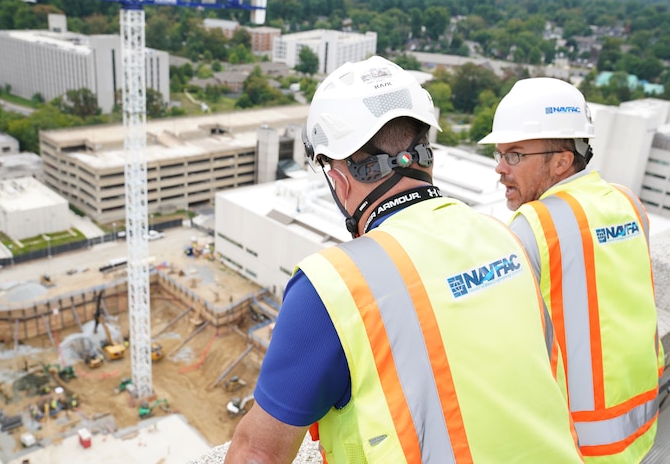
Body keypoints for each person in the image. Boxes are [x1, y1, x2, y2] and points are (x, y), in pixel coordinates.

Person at [224, 56, 584, 464]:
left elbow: (257, 453)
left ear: (339, 179)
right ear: (426, 154)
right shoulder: (506, 239)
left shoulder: (333, 286)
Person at [479, 77, 664, 464]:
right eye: (499, 154)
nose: (499, 168)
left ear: (562, 161)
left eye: (514, 155)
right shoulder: (628, 202)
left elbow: (503, 346)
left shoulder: (536, 224)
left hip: (580, 447)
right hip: (642, 430)